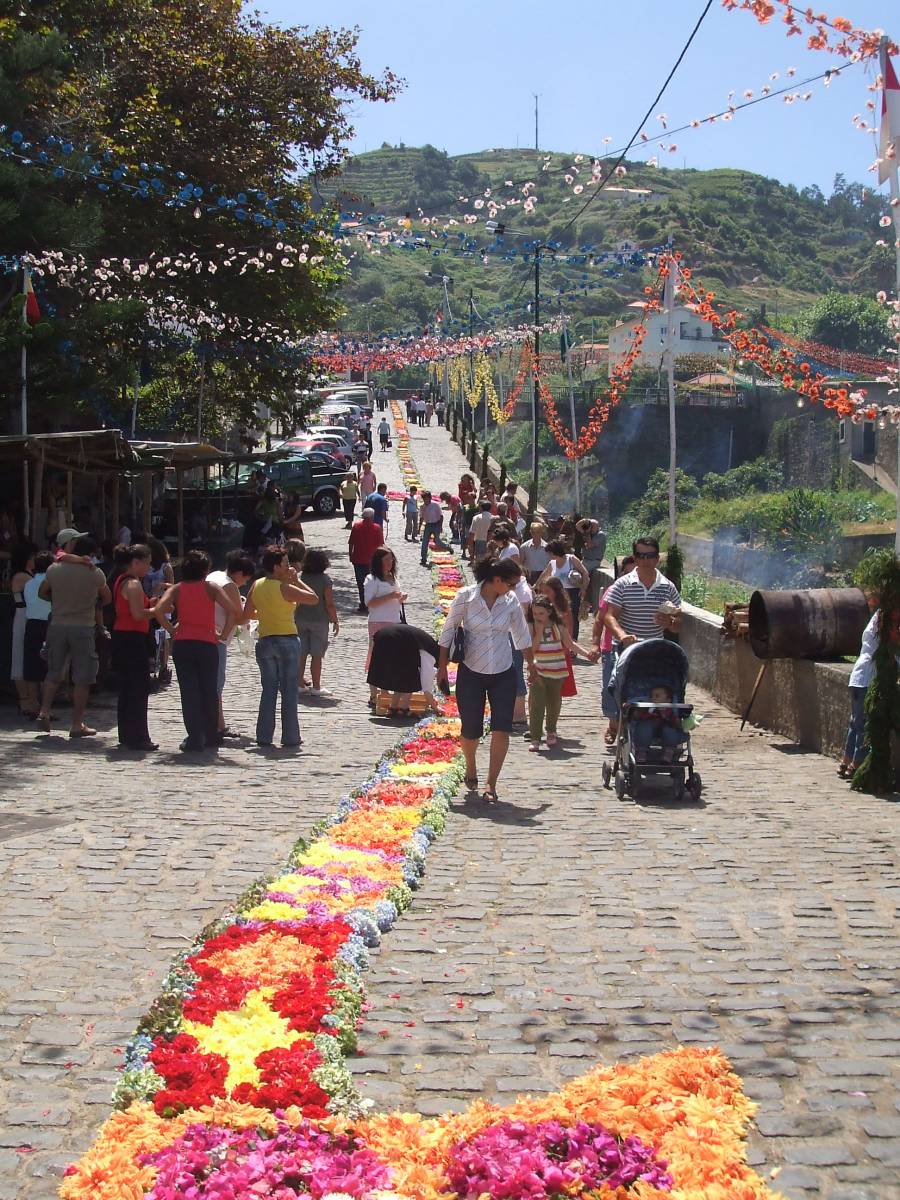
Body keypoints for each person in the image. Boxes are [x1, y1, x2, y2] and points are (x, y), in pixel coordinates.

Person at [437, 557, 535, 804]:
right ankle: (470, 764)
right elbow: (448, 630)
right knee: (471, 731)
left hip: (503, 671)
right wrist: (441, 668)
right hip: (472, 671)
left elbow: (522, 635)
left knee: (502, 728)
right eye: (511, 584)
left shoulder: (510, 601)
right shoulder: (466, 597)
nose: (513, 589)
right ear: (497, 580)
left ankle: (491, 783)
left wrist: (532, 665)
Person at [155, 550, 242, 752]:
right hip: (207, 643)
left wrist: (172, 629)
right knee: (209, 690)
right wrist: (224, 634)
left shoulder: (178, 588)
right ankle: (211, 734)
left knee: (189, 692)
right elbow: (233, 611)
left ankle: (195, 737)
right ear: (205, 570)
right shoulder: (211, 588)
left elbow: (159, 610)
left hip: (184, 643)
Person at [242, 546, 317, 748]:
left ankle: (264, 736)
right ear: (276, 567)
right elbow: (313, 598)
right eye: (285, 564)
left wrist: (266, 613)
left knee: (268, 690)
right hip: (287, 639)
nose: (288, 567)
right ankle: (290, 736)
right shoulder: (284, 587)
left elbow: (247, 613)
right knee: (289, 691)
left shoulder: (257, 585)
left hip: (265, 640)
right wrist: (296, 580)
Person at [38, 536, 111, 739]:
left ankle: (44, 711)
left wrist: (58, 601)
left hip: (58, 625)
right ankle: (77, 723)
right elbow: (107, 597)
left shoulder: (54, 569)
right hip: (83, 627)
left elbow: (42, 592)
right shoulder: (94, 573)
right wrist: (91, 602)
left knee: (54, 672)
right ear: (91, 554)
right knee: (82, 678)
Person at [527, 595, 595, 750]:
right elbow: (531, 649)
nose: (537, 616)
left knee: (554, 703)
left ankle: (551, 730)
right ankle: (535, 737)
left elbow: (570, 644)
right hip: (538, 672)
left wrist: (587, 654)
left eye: (541, 613)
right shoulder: (532, 626)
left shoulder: (558, 626)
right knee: (537, 704)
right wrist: (539, 633)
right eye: (535, 613)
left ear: (549, 612)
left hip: (556, 671)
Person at [110, 543, 158, 751]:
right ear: (136, 562)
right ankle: (138, 736)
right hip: (132, 638)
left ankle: (127, 734)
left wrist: (152, 602)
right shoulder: (133, 583)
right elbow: (139, 614)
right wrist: (159, 609)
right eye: (147, 563)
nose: (149, 567)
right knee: (138, 687)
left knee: (127, 688)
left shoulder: (121, 580)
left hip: (122, 636)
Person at [206, 551, 256, 739]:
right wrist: (256, 611)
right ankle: (216, 726)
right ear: (239, 573)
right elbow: (239, 616)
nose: (245, 583)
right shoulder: (230, 586)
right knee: (216, 684)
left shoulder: (214, 576)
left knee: (212, 682)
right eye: (246, 579)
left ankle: (219, 724)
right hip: (218, 637)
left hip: (207, 633)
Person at [603, 536, 682, 647]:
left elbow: (678, 622)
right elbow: (609, 617)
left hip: (654, 649)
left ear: (657, 558)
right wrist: (622, 635)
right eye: (641, 556)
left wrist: (670, 623)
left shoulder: (668, 587)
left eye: (650, 556)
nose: (645, 560)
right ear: (635, 559)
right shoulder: (622, 584)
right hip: (625, 649)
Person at [592, 555, 635, 745]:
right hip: (612, 648)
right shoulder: (613, 591)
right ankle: (613, 724)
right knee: (610, 688)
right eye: (628, 571)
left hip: (637, 648)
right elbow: (600, 619)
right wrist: (595, 643)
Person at [839, 592, 880, 779]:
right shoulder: (884, 620)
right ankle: (856, 765)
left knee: (855, 723)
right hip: (867, 678)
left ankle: (845, 762)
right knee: (863, 725)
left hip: (858, 676)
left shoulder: (877, 617)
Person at [367, 623, 443, 717]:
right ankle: (403, 709)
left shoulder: (430, 645)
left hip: (384, 635)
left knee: (403, 674)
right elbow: (426, 684)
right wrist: (435, 707)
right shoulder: (430, 654)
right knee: (411, 676)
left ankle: (393, 708)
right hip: (394, 640)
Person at [363, 547, 406, 708]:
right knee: (376, 657)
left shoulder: (393, 578)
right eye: (386, 560)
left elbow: (395, 598)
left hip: (394, 621)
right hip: (378, 622)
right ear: (378, 562)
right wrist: (390, 596)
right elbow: (370, 603)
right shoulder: (372, 579)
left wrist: (400, 598)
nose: (389, 563)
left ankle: (385, 690)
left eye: (391, 559)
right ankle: (374, 694)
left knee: (390, 658)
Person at [294, 548, 339, 695]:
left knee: (301, 653)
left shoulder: (299, 577)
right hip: (319, 620)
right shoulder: (325, 580)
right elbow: (329, 604)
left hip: (300, 618)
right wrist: (335, 620)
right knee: (317, 655)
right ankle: (317, 687)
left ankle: (299, 684)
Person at [536, 539, 591, 642]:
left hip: (573, 592)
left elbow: (585, 573)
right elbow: (544, 574)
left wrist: (584, 588)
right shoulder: (552, 563)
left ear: (555, 552)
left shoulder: (571, 559)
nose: (549, 555)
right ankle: (559, 638)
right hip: (557, 593)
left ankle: (573, 640)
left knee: (573, 616)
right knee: (558, 615)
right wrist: (536, 585)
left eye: (550, 553)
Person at [10, 542, 37, 717]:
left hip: (29, 616)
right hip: (23, 616)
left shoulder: (30, 575)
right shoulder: (22, 576)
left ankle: (31, 699)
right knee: (20, 656)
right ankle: (24, 699)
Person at [22, 551, 53, 702]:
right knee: (48, 668)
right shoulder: (52, 583)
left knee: (31, 667)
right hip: (48, 625)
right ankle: (45, 706)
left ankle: (32, 703)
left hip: (31, 625)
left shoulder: (28, 584)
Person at [631, 685, 688, 763]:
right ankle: (641, 751)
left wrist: (679, 723)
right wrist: (636, 712)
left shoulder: (669, 711)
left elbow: (675, 721)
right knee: (644, 727)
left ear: (668, 700)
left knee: (670, 730)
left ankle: (668, 751)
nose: (652, 698)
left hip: (665, 730)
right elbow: (638, 717)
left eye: (657, 696)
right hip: (649, 730)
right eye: (651, 696)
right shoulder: (647, 708)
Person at [348, 508, 384, 612]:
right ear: (372, 516)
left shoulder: (356, 526)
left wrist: (350, 554)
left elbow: (351, 542)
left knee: (361, 583)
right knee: (372, 583)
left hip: (358, 559)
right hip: (372, 561)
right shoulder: (377, 528)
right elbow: (381, 545)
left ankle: (363, 604)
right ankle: (372, 603)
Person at [418, 490, 446, 566]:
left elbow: (441, 516)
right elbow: (421, 517)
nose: (426, 500)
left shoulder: (435, 505)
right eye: (424, 499)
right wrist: (419, 527)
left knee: (437, 541)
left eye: (427, 499)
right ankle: (423, 559)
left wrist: (440, 526)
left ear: (430, 498)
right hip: (428, 525)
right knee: (424, 543)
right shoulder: (422, 507)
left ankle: (447, 547)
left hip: (436, 525)